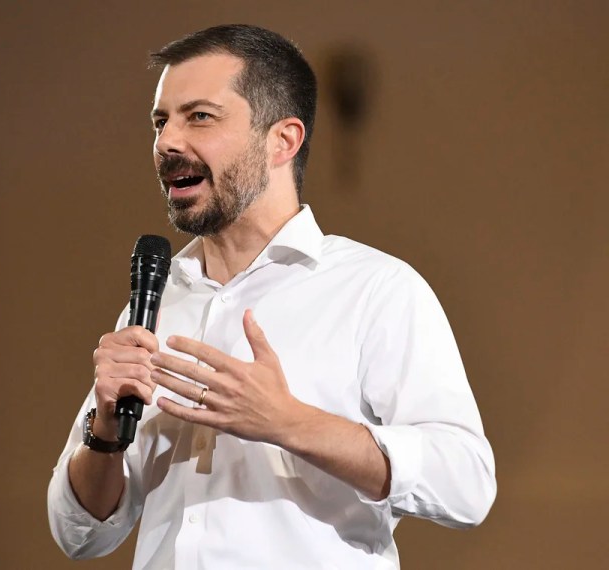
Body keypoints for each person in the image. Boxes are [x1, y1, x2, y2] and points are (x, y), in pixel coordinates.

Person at [47, 24, 496, 569]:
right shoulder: (158, 302)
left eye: (200, 117)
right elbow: (81, 533)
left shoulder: (375, 290)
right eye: (161, 121)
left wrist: (287, 421)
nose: (167, 142)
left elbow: (466, 483)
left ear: (282, 140)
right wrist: (105, 429)